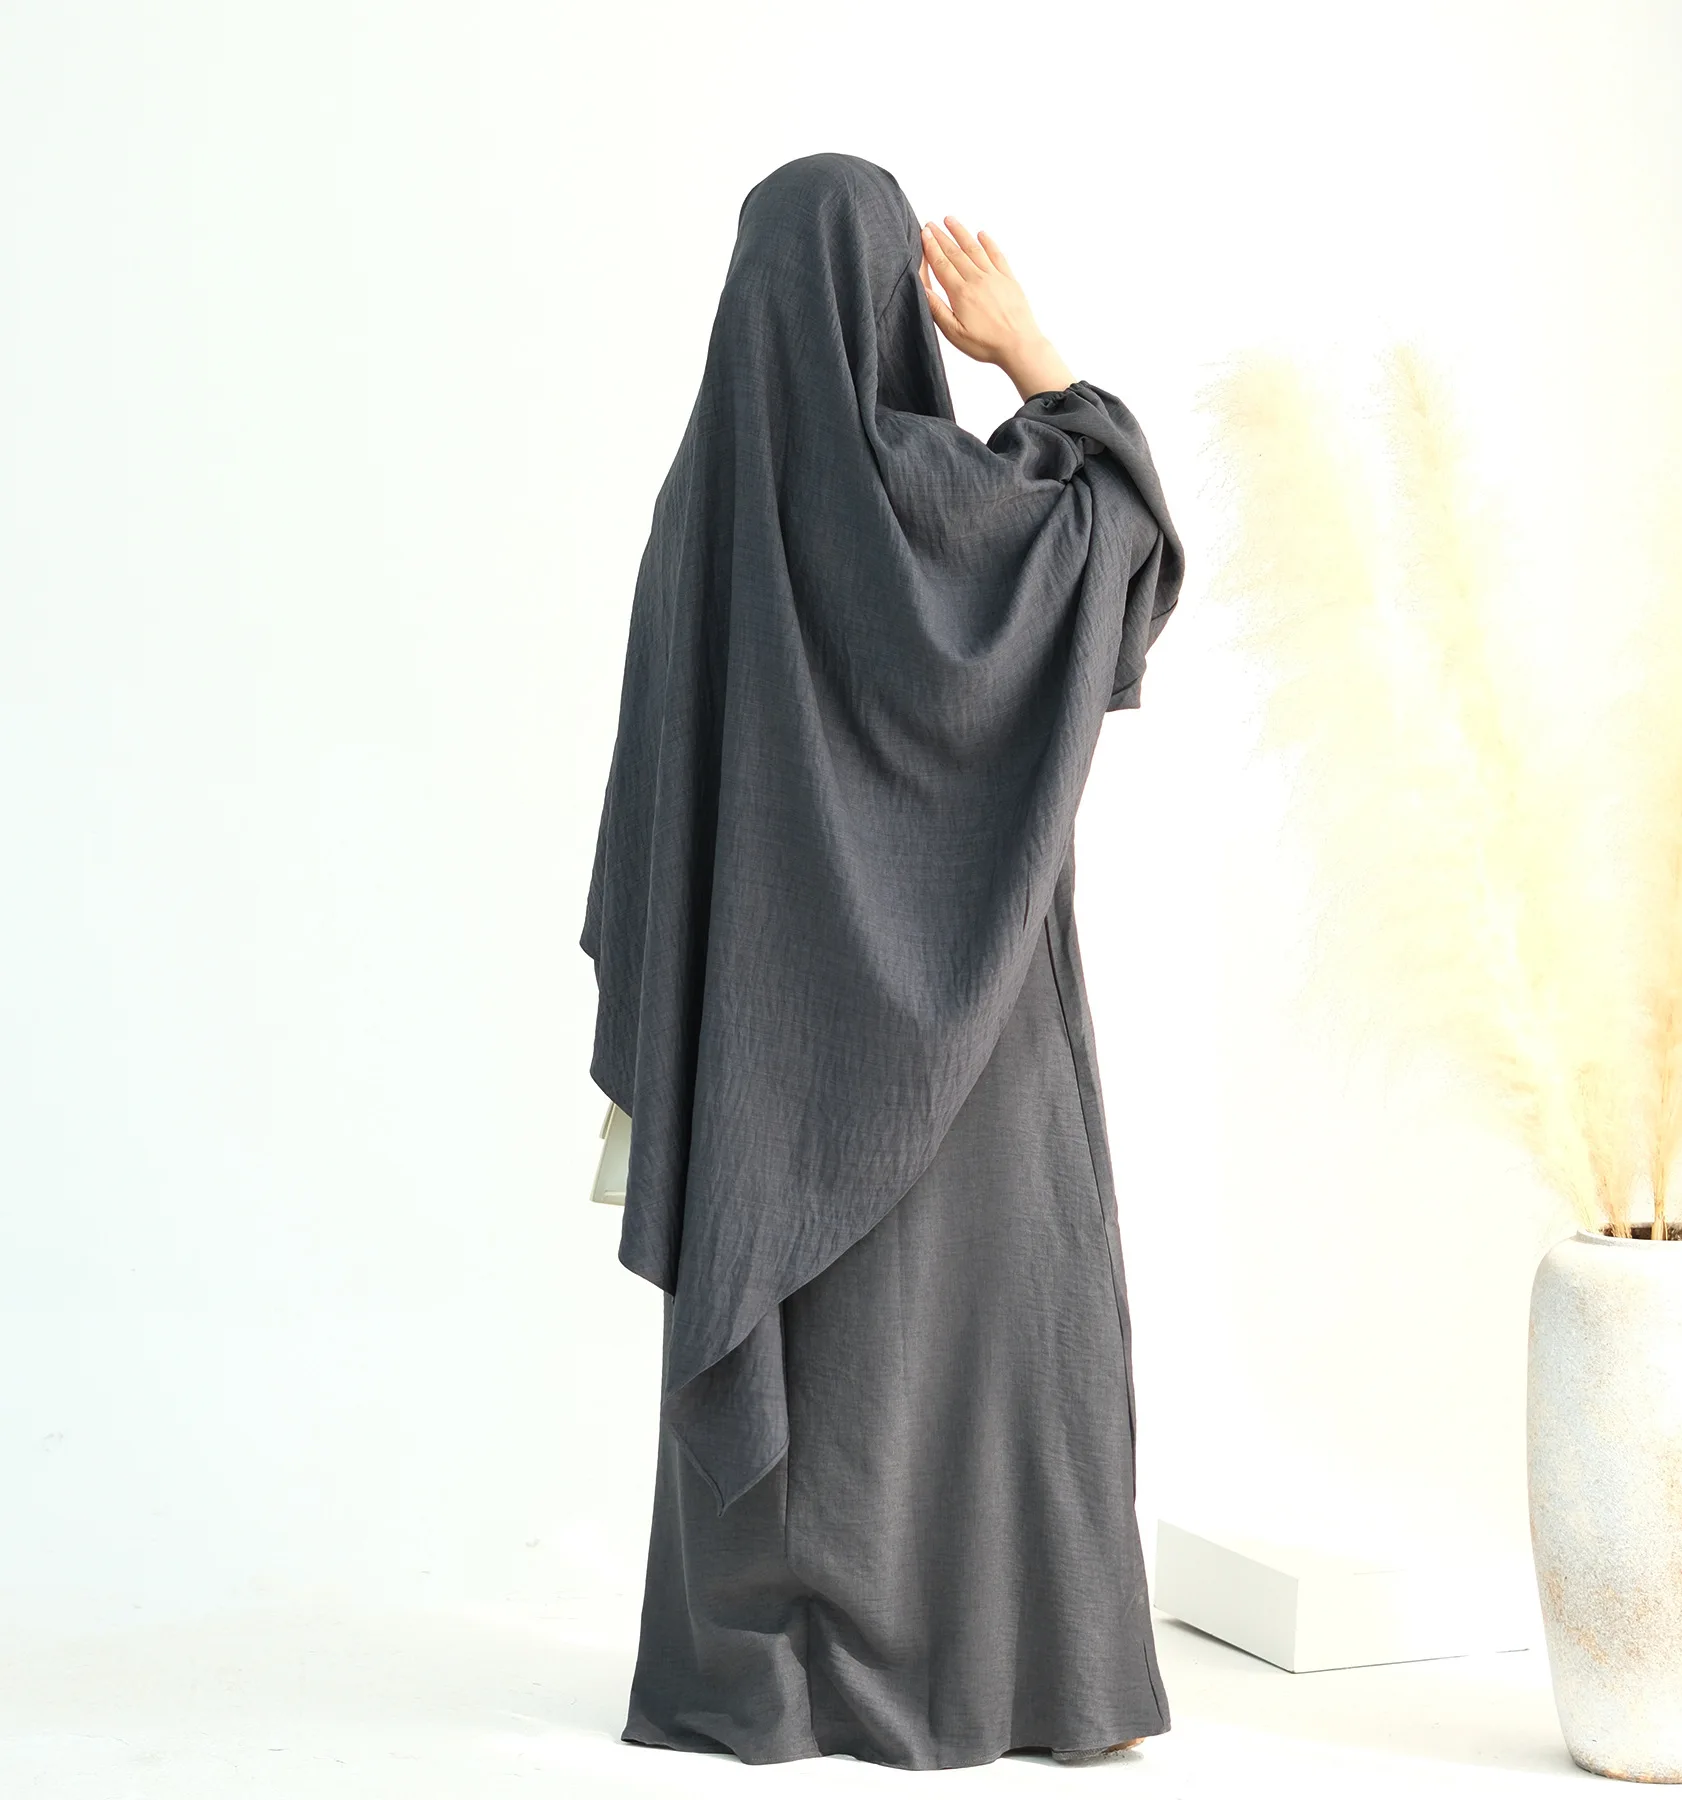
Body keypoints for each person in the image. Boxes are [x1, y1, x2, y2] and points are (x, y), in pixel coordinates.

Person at [581, 151, 1184, 1770]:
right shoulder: (955, 503)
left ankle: (777, 1686)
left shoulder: (695, 519)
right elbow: (1121, 536)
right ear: (890, 303)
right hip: (980, 1048)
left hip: (768, 1058)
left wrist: (679, 1051)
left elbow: (657, 821)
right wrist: (1031, 352)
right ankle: (1018, 1678)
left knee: (811, 1356)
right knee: (1003, 1345)